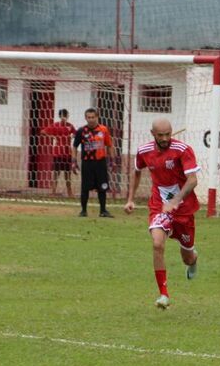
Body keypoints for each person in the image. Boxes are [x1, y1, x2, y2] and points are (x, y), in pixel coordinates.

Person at [124, 118, 200, 309]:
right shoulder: (144, 152)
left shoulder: (183, 150)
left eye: (168, 134)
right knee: (157, 243)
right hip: (160, 205)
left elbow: (192, 180)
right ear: (153, 134)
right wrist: (130, 199)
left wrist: (176, 201)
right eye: (161, 135)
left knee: (187, 256)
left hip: (184, 209)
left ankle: (193, 260)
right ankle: (163, 294)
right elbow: (137, 171)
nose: (165, 138)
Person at [73, 108, 115, 217]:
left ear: (97, 117)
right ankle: (83, 211)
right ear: (86, 118)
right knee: (85, 187)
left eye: (93, 117)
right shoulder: (81, 131)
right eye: (89, 117)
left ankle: (103, 211)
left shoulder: (103, 130)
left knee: (102, 187)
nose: (91, 120)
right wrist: (74, 161)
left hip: (100, 163)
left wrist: (112, 161)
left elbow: (109, 145)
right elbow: (74, 146)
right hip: (87, 163)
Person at [41, 109, 77, 197]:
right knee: (56, 174)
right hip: (58, 153)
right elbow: (42, 132)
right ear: (60, 116)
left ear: (68, 116)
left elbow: (76, 133)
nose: (64, 117)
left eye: (65, 115)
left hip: (67, 153)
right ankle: (53, 192)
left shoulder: (70, 126)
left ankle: (70, 193)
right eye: (62, 115)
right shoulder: (55, 125)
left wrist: (73, 136)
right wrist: (52, 136)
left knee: (67, 175)